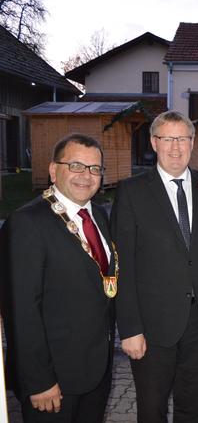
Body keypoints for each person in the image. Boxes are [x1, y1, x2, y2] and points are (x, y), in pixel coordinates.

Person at [111, 110, 198, 422]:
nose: (175, 147)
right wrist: (130, 328)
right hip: (151, 326)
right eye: (167, 139)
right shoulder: (131, 192)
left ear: (193, 142)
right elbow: (123, 265)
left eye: (182, 139)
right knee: (152, 407)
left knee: (192, 405)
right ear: (153, 142)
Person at [2, 134, 115, 422]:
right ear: (54, 170)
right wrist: (38, 380)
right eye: (76, 165)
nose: (86, 176)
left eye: (94, 168)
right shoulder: (28, 222)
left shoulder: (99, 215)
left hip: (96, 371)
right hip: (53, 381)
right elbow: (21, 309)